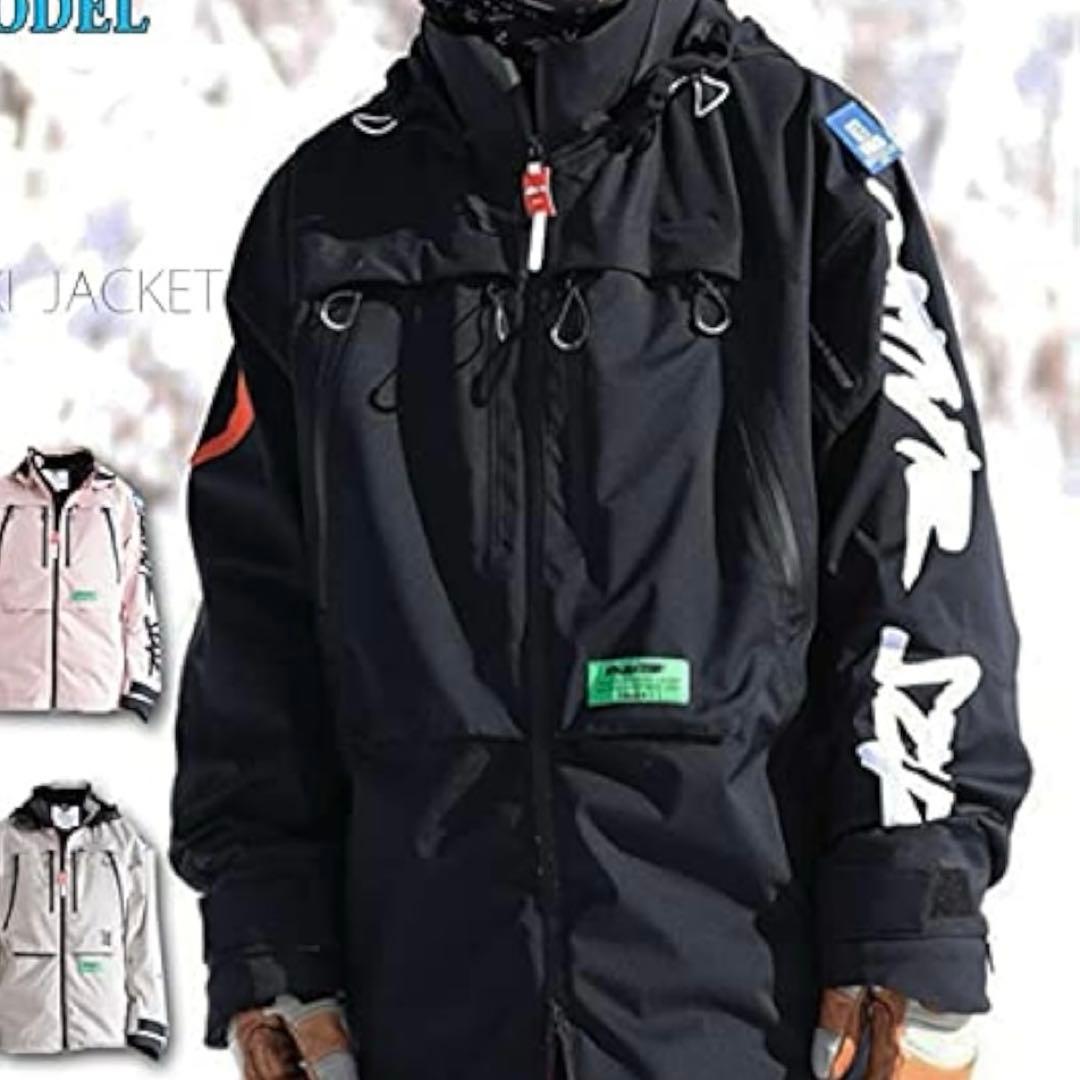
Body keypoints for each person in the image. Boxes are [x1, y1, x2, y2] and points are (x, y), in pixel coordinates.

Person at [169, 1, 1032, 1077]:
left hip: (746, 1016)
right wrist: (272, 948)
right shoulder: (325, 210)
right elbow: (256, 621)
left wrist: (913, 926)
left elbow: (918, 553)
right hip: (422, 1012)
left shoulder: (802, 165)